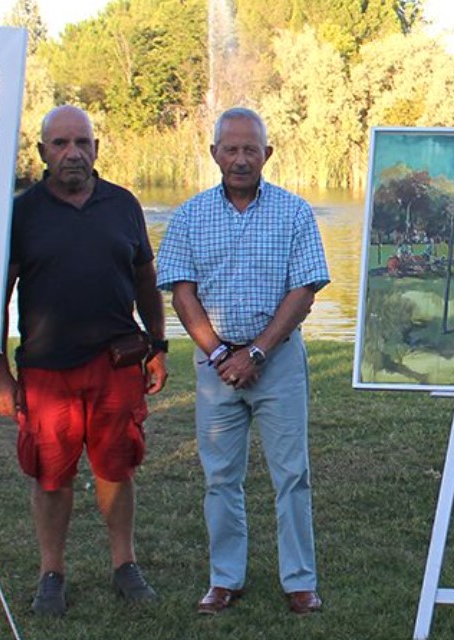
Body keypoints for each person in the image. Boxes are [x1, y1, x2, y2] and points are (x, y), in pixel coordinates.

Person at [0, 105, 168, 616]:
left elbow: (145, 281)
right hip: (47, 369)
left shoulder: (123, 205)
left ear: (95, 148)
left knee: (117, 467)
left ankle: (124, 564)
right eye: (60, 144)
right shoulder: (23, 213)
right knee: (50, 474)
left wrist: (157, 345)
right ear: (43, 152)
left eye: (81, 142)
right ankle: (51, 572)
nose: (72, 153)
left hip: (115, 365)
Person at [156, 107, 330, 615]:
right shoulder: (189, 216)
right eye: (229, 149)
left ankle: (300, 580)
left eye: (250, 149)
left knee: (291, 474)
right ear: (214, 154)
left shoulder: (294, 212)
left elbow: (304, 292)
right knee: (219, 476)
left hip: (276, 360)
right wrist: (218, 354)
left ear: (267, 155)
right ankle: (225, 578)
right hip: (216, 368)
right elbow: (182, 293)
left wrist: (255, 352)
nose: (239, 159)